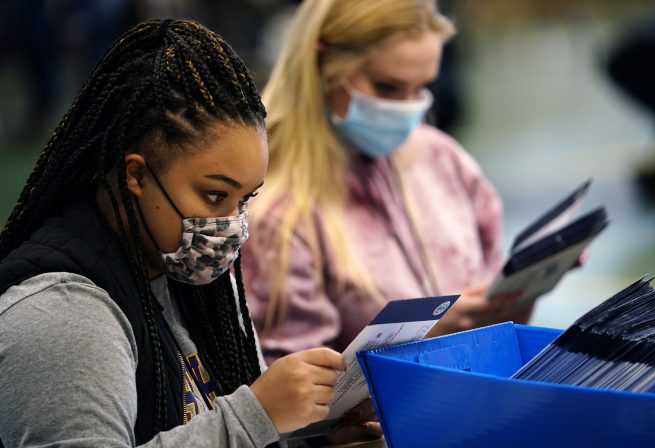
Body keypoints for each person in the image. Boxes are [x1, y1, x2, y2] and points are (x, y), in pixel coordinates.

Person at [0, 18, 378, 447]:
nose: (234, 225)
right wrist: (255, 415)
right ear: (137, 175)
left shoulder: (187, 274)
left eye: (246, 199)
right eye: (215, 195)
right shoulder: (61, 319)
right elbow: (240, 426)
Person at [243, 0, 534, 363]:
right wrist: (427, 337)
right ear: (323, 66)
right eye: (388, 87)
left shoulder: (443, 158)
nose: (408, 107)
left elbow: (502, 325)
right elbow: (294, 394)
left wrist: (528, 287)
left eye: (422, 87)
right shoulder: (277, 211)